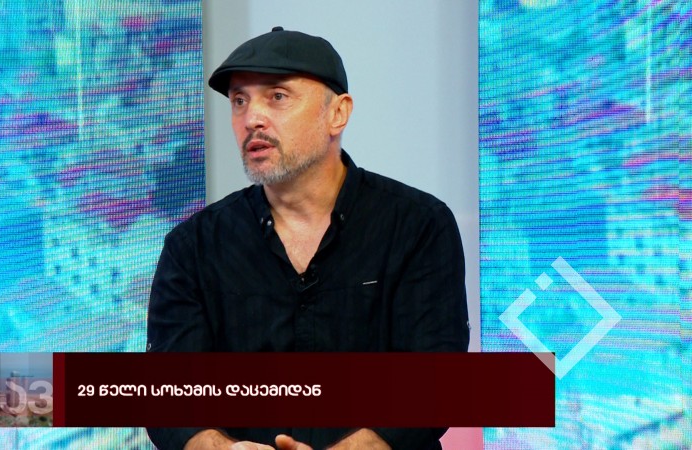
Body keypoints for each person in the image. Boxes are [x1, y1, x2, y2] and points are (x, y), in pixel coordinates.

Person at [146, 26, 470, 450]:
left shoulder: (417, 225)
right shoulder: (193, 245)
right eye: (239, 101)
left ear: (338, 113)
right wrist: (218, 447)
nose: (251, 119)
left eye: (277, 96)